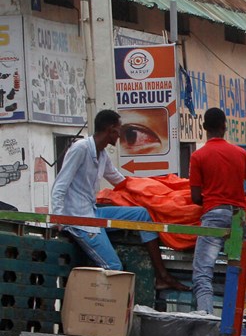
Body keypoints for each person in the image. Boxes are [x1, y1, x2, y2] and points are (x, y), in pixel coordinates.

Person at [51, 109, 189, 291]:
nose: (120, 135)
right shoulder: (81, 148)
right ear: (109, 130)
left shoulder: (101, 154)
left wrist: (151, 192)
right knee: (114, 268)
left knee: (142, 214)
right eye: (118, 130)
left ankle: (161, 275)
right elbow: (60, 185)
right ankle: (102, 310)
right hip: (79, 220)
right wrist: (58, 217)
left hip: (93, 212)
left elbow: (119, 181)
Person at [188, 107, 246, 313]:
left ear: (204, 128)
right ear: (225, 127)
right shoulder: (240, 153)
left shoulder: (198, 156)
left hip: (213, 217)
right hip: (238, 218)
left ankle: (208, 319)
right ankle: (242, 321)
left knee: (203, 273)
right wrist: (237, 197)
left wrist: (215, 198)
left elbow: (195, 197)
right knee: (239, 272)